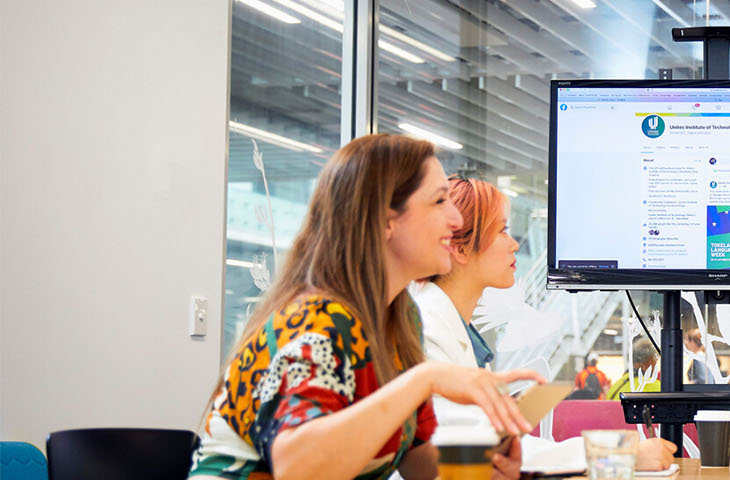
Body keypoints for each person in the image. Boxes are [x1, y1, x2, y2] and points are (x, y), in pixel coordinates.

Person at [190, 134, 544, 480]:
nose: (455, 220)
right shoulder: (318, 319)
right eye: (439, 202)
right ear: (387, 219)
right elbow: (298, 469)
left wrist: (487, 464)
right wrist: (424, 379)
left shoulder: (400, 318)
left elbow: (419, 463)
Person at [411, 176, 675, 472]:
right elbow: (465, 448)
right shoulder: (427, 329)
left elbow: (496, 447)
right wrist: (620, 454)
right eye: (501, 231)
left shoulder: (454, 329)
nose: (513, 245)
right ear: (459, 249)